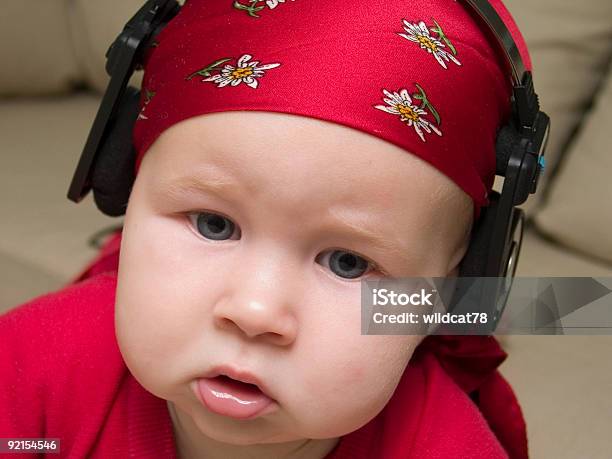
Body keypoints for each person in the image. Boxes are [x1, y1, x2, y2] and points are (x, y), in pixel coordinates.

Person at [0, 0, 532, 457]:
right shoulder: (31, 368)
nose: (255, 313)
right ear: (124, 187)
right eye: (214, 224)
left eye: (348, 262)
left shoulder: (448, 446)